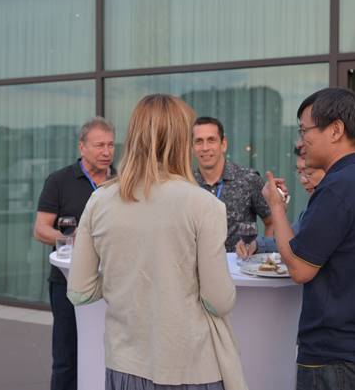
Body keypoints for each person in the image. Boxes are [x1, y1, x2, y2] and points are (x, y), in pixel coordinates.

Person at [67, 94, 245, 390]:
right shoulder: (204, 204)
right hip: (190, 366)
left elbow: (79, 291)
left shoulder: (100, 201)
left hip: (124, 366)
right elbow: (219, 300)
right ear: (180, 141)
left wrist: (123, 279)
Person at [262, 88, 355, 389]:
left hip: (338, 358)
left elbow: (300, 268)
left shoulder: (338, 186)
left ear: (336, 129)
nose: (302, 142)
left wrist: (276, 207)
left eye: (305, 131)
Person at [33, 117, 115, 390]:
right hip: (66, 281)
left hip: (114, 281)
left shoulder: (122, 181)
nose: (106, 152)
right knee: (67, 356)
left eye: (111, 145)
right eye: (99, 145)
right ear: (82, 147)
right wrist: (71, 238)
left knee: (110, 352)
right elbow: (41, 229)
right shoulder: (59, 180)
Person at [192, 116, 271, 252]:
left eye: (211, 140)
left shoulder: (248, 179)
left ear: (223, 144)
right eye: (199, 141)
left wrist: (263, 256)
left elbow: (272, 221)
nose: (205, 148)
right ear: (192, 148)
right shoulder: (187, 184)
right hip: (198, 270)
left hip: (240, 270)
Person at [237, 150, 325, 256]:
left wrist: (277, 207)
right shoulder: (312, 205)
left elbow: (299, 258)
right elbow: (292, 241)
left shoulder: (332, 206)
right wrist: (255, 245)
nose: (303, 180)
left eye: (309, 172)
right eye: (299, 172)